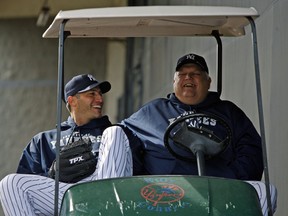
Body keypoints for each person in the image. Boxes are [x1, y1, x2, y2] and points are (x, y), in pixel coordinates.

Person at [122, 53, 277, 215]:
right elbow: (121, 138)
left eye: (195, 74)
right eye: (181, 74)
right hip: (164, 192)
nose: (188, 77)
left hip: (219, 189)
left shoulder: (228, 112)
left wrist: (230, 177)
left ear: (208, 81)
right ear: (174, 81)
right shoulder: (152, 112)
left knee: (265, 191)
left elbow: (251, 151)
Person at [0, 74, 132, 216]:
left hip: (106, 193)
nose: (100, 99)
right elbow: (26, 189)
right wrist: (52, 174)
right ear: (72, 100)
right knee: (9, 183)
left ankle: (105, 209)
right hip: (67, 196)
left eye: (100, 94)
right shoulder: (43, 140)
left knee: (115, 131)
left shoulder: (115, 132)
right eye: (92, 94)